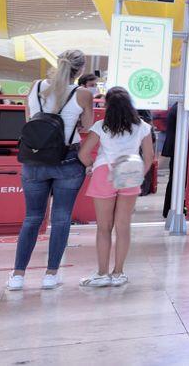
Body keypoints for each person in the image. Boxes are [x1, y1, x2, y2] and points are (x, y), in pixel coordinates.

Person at [7, 50, 91, 292]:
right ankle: (50, 275)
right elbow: (85, 126)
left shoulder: (34, 86)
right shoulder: (82, 94)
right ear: (81, 70)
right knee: (61, 217)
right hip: (67, 162)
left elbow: (29, 120)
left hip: (34, 162)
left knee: (32, 218)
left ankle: (17, 276)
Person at [76, 87, 155, 287]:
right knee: (123, 226)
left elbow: (84, 153)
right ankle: (118, 273)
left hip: (104, 173)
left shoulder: (101, 126)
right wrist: (139, 175)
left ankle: (102, 273)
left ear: (108, 105)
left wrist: (90, 167)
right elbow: (149, 156)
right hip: (130, 172)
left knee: (104, 228)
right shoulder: (142, 126)